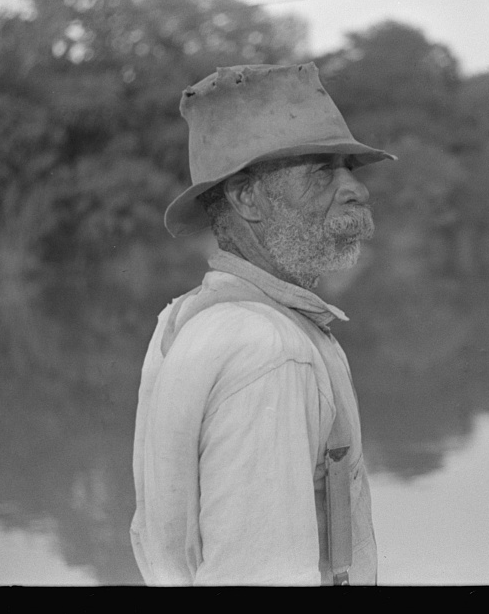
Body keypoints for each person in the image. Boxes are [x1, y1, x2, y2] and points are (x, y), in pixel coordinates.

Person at [130, 62, 395, 586]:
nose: (355, 190)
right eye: (322, 171)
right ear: (247, 197)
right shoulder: (270, 350)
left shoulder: (186, 320)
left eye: (350, 168)